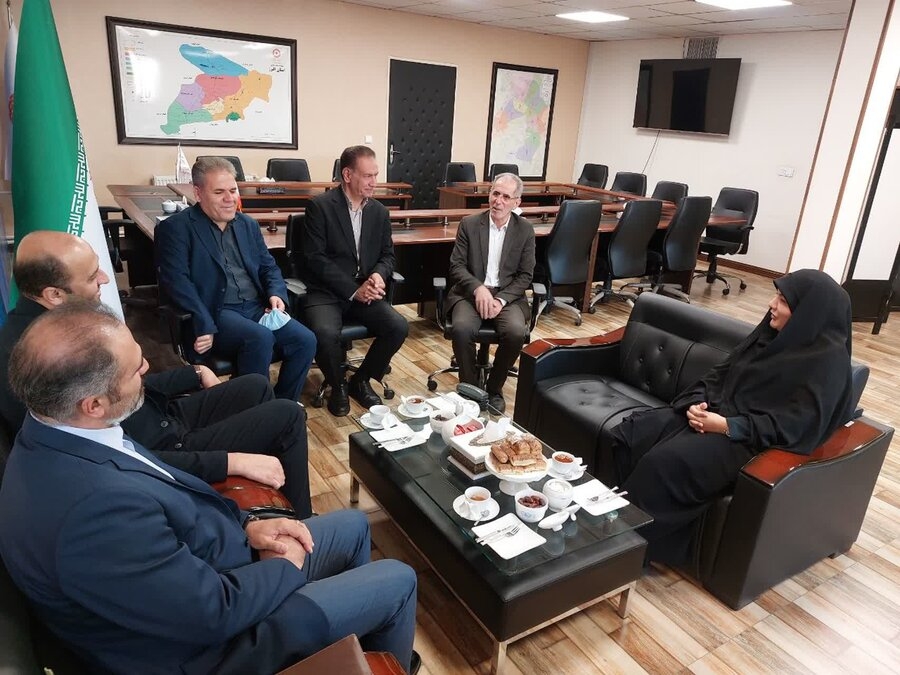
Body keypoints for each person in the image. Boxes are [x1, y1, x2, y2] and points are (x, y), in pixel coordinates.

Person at [0, 303, 419, 675]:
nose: (146, 369)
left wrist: (248, 526)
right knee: (398, 580)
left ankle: (349, 639)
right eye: (135, 369)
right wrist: (284, 569)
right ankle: (351, 635)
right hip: (218, 648)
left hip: (219, 569)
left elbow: (168, 502)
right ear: (93, 403)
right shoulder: (92, 511)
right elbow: (212, 614)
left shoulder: (61, 433)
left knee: (354, 526)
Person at [0, 231, 313, 517]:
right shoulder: (42, 359)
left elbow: (123, 390)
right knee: (287, 415)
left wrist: (194, 372)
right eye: (93, 276)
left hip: (158, 413)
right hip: (163, 449)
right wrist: (230, 461)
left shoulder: (56, 324)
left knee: (256, 385)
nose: (106, 279)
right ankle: (300, 522)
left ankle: (268, 503)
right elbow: (122, 456)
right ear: (54, 294)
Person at [611, 269, 855, 566]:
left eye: (783, 301)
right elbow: (719, 375)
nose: (772, 304)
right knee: (634, 432)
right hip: (717, 414)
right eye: (776, 296)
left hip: (752, 441)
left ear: (808, 314)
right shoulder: (769, 336)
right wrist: (697, 403)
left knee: (663, 465)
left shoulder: (826, 365)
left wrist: (727, 426)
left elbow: (794, 426)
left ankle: (626, 552)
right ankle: (612, 526)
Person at [155, 156, 317, 402]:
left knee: (305, 340)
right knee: (259, 338)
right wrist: (204, 323)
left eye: (233, 190)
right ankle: (253, 409)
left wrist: (276, 293)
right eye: (219, 192)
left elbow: (268, 266)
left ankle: (283, 405)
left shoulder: (247, 224)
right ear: (198, 193)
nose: (229, 198)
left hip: (256, 307)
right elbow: (176, 282)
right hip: (216, 311)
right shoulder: (177, 228)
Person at [301, 146, 408, 416]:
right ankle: (338, 386)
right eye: (368, 176)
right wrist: (353, 290)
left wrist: (378, 274)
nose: (374, 182)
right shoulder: (320, 206)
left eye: (376, 175)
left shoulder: (379, 212)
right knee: (325, 333)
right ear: (347, 175)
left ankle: (360, 380)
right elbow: (315, 259)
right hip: (326, 292)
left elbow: (387, 255)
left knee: (398, 326)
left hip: (364, 290)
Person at [444, 173, 536, 413]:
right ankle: (470, 388)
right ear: (489, 194)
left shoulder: (525, 230)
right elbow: (456, 266)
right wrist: (478, 288)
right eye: (495, 193)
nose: (498, 201)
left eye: (506, 197)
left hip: (507, 297)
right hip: (470, 292)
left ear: (516, 202)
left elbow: (525, 275)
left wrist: (501, 299)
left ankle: (494, 388)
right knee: (462, 329)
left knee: (515, 332)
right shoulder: (470, 224)